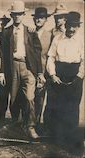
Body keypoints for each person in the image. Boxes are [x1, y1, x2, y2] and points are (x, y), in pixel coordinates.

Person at [0, 0, 45, 139]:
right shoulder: (6, 32)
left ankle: (30, 126)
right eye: (15, 14)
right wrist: (1, 71)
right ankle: (16, 123)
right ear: (11, 15)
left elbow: (37, 53)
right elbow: (2, 53)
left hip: (27, 67)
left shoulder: (30, 31)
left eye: (20, 14)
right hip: (13, 66)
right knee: (14, 97)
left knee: (29, 97)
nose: (17, 17)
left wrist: (39, 73)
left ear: (23, 15)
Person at [46, 12, 84, 156]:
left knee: (72, 108)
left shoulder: (81, 40)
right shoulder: (57, 38)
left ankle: (72, 141)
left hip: (75, 74)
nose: (72, 29)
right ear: (65, 25)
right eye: (70, 26)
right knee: (57, 106)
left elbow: (84, 60)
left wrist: (79, 76)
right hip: (59, 73)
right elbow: (51, 57)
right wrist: (53, 74)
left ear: (78, 27)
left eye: (75, 27)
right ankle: (58, 140)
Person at [31, 7, 52, 130]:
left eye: (41, 18)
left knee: (39, 97)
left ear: (46, 20)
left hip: (42, 71)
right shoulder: (29, 32)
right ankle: (26, 123)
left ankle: (36, 123)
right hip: (29, 69)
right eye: (37, 17)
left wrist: (44, 73)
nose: (38, 20)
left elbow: (50, 55)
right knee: (28, 97)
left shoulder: (50, 35)